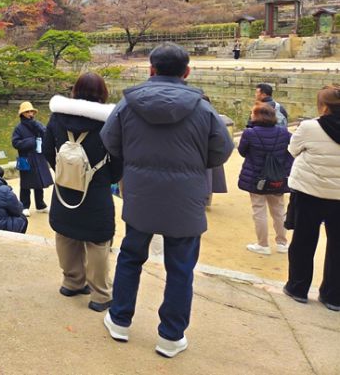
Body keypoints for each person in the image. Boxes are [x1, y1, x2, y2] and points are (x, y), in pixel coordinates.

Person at [100, 42, 233, 358]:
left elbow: (110, 142)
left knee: (131, 257)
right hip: (185, 200)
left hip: (140, 194)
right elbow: (222, 151)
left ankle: (119, 320)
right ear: (187, 72)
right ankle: (171, 337)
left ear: (151, 69)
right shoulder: (203, 109)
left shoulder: (127, 105)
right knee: (181, 268)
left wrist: (136, 157)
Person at [43, 73, 122, 312]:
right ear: (103, 92)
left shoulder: (57, 117)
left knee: (66, 235)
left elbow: (47, 148)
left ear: (75, 90)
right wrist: (105, 178)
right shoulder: (109, 121)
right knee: (98, 241)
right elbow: (118, 159)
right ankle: (100, 295)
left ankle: (71, 282)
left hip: (65, 188)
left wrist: (64, 171)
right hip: (95, 190)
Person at [283, 85, 340, 312]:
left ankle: (298, 288)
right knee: (338, 246)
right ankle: (333, 296)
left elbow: (292, 149)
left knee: (304, 241)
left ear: (323, 106)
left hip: (310, 192)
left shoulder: (309, 126)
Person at [237, 102, 293, 255]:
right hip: (277, 177)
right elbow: (292, 150)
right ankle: (282, 243)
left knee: (259, 210)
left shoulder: (250, 133)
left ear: (256, 116)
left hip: (256, 177)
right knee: (279, 210)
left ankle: (263, 244)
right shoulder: (283, 133)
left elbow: (242, 151)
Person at [11, 101, 53, 216]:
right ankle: (24, 206)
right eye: (27, 112)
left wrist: (39, 127)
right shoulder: (18, 128)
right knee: (25, 184)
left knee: (39, 182)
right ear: (22, 114)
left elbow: (46, 136)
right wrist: (31, 141)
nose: (30, 114)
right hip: (24, 158)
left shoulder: (36, 125)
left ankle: (40, 205)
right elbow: (15, 143)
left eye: (31, 111)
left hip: (38, 157)